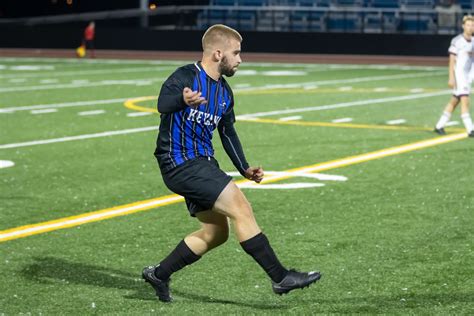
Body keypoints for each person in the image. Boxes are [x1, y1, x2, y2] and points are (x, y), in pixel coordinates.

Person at [143, 24, 321, 303]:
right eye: (236, 53)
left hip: (202, 163)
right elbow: (162, 104)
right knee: (241, 207)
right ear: (217, 53)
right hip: (179, 162)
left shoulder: (224, 93)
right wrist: (182, 99)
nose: (240, 59)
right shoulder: (186, 76)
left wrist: (244, 169)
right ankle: (280, 277)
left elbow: (227, 133)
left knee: (216, 233)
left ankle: (159, 274)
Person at [434, 15, 474, 137]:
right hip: (459, 75)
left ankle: (439, 125)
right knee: (465, 101)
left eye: (472, 25)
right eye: (468, 25)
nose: (471, 27)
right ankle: (470, 129)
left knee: (454, 101)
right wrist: (451, 77)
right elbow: (452, 60)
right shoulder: (457, 41)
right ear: (463, 26)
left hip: (467, 77)